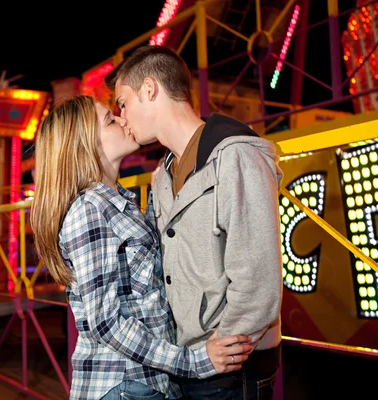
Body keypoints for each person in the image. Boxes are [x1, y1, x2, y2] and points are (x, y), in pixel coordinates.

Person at [30, 95, 254, 400]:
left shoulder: (117, 201)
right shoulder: (89, 209)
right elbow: (106, 324)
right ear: (84, 144)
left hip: (142, 382)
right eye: (110, 120)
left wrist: (160, 196)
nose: (123, 120)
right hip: (124, 383)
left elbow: (142, 271)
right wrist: (195, 362)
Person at [106, 45, 284, 399]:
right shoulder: (163, 175)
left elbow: (257, 276)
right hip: (189, 363)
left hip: (231, 367)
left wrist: (218, 352)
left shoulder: (236, 156)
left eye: (122, 102)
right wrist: (186, 358)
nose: (121, 115)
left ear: (149, 90)